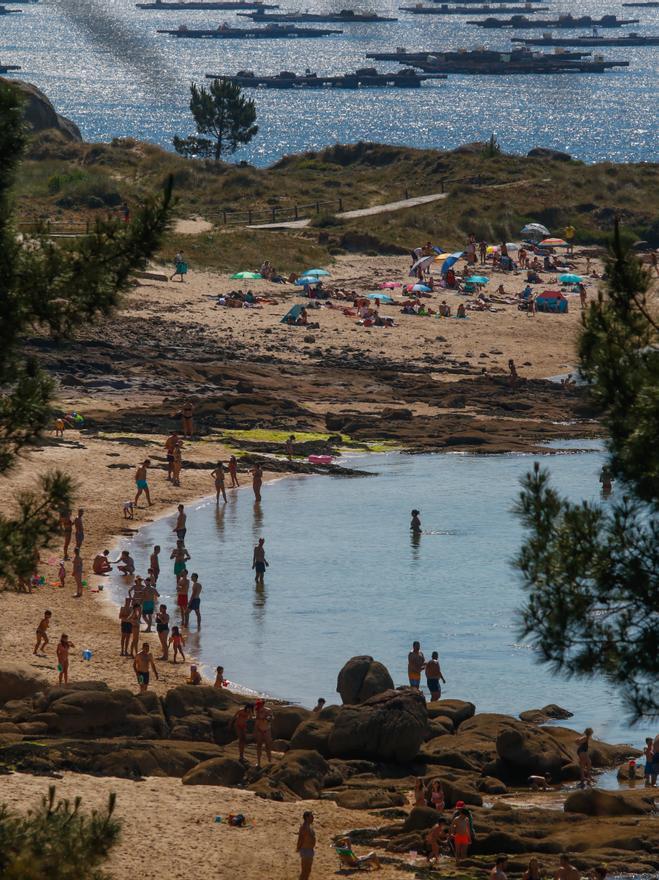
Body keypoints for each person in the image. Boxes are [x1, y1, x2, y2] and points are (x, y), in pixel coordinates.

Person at [450, 802, 473, 866]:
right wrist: (452, 833)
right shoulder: (456, 819)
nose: (465, 816)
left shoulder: (467, 819)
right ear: (462, 814)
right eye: (465, 815)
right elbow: (452, 826)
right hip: (458, 836)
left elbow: (468, 829)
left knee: (464, 852)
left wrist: (469, 838)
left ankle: (463, 864)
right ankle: (457, 864)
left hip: (465, 836)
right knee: (457, 851)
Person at [296, 811, 315, 880]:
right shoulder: (304, 827)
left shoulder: (309, 826)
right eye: (311, 816)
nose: (313, 818)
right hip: (306, 850)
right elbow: (300, 839)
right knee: (305, 871)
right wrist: (298, 847)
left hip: (309, 850)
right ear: (307, 818)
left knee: (308, 871)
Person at [254, 699, 273, 768]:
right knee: (259, 746)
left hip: (267, 730)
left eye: (259, 706)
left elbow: (271, 718)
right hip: (259, 730)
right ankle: (258, 763)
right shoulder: (257, 710)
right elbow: (256, 722)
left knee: (268, 746)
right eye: (257, 706)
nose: (258, 708)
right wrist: (255, 731)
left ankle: (270, 761)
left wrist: (267, 718)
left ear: (262, 705)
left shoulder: (268, 710)